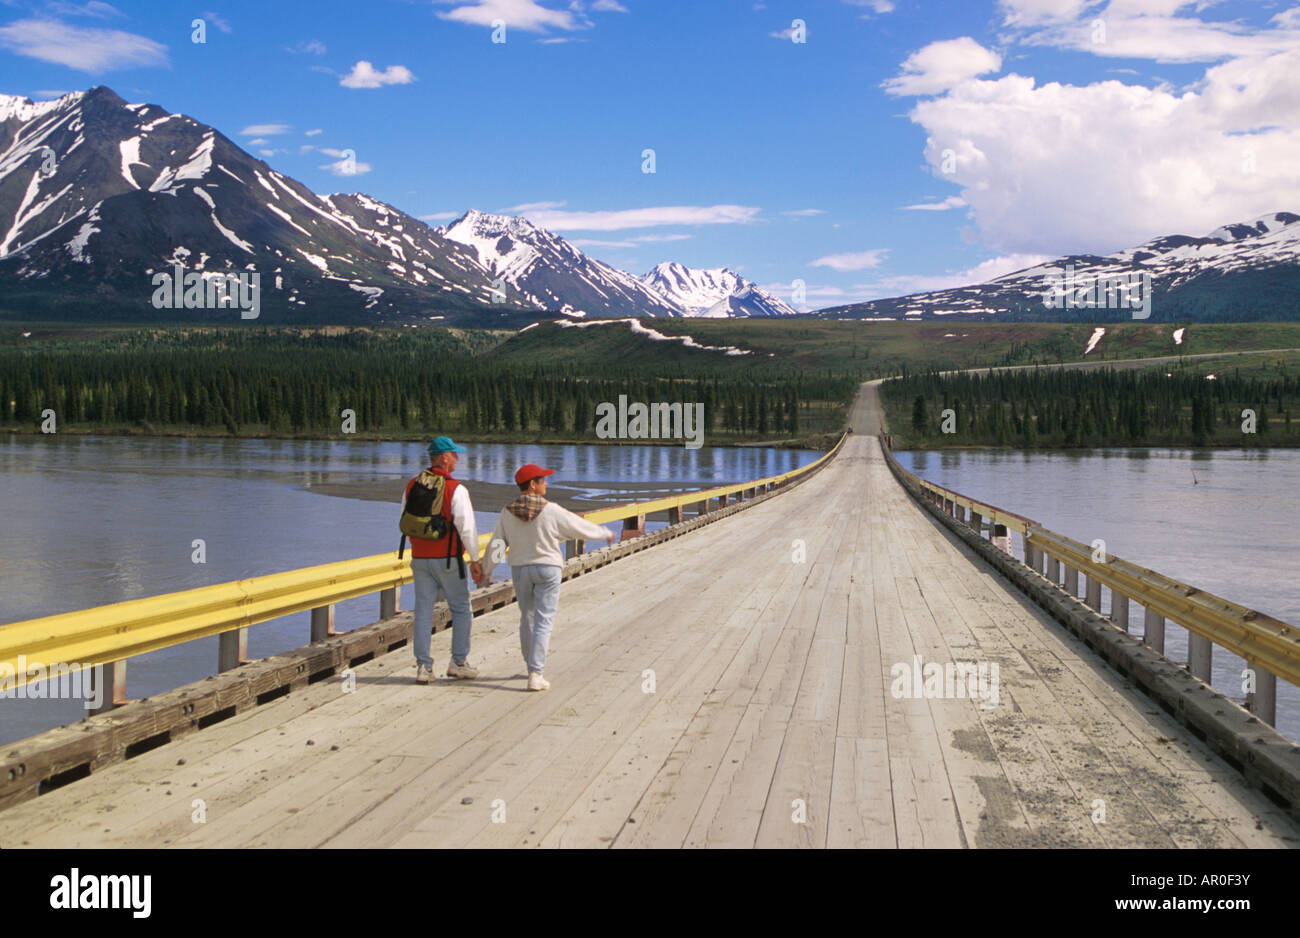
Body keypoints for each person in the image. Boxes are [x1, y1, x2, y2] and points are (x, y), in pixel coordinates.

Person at [486, 464, 614, 691]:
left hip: (521, 570)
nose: (546, 483)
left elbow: (498, 544)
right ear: (532, 485)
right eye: (542, 479)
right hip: (548, 569)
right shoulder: (551, 509)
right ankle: (536, 673)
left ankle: (530, 668)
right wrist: (603, 533)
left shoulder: (507, 512)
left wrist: (486, 569)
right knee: (544, 620)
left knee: (527, 617)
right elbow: (578, 527)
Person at [403, 436, 486, 684]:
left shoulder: (411, 486)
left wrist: (419, 548)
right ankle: (458, 662)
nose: (458, 459)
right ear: (443, 457)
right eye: (454, 454)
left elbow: (404, 521)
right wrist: (474, 559)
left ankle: (423, 667)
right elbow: (467, 528)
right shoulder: (456, 489)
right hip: (449, 559)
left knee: (423, 612)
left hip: (420, 558)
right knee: (461, 609)